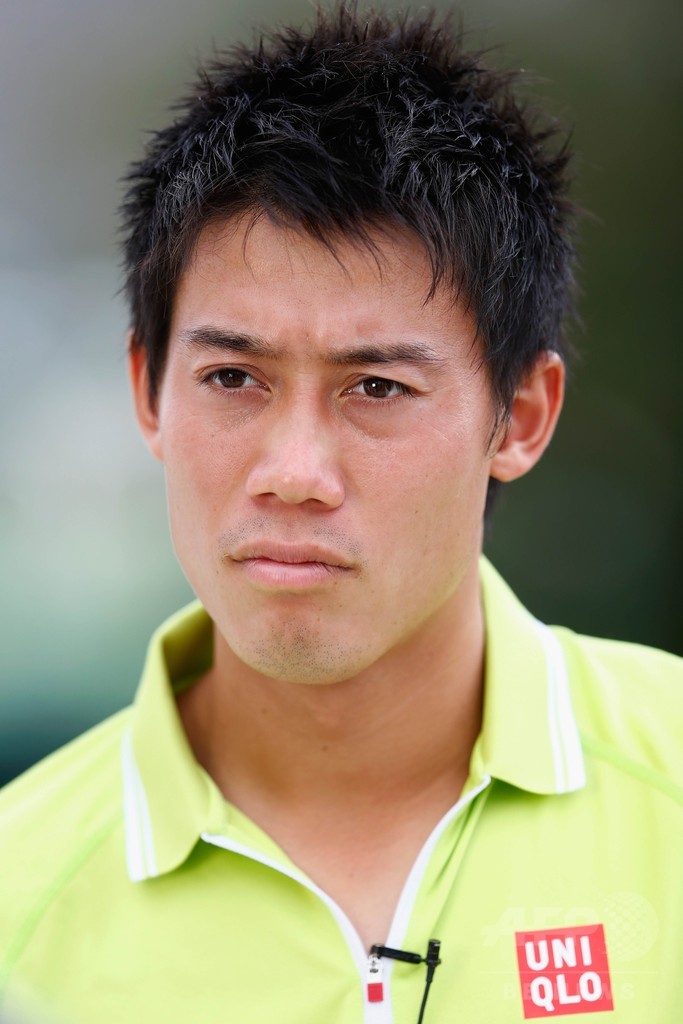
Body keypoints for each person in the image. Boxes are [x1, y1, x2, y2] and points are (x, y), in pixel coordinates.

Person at [1, 4, 681, 1022]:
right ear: (147, 391)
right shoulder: (19, 900)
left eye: (376, 388)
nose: (293, 472)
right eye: (233, 377)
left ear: (522, 415)